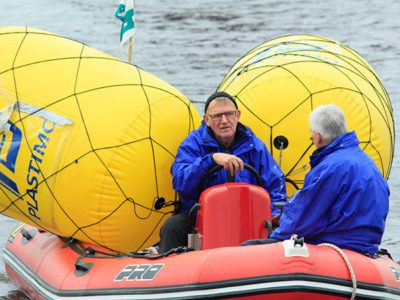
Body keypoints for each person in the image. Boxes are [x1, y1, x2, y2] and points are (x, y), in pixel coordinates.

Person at [242, 104, 390, 257]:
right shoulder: (369, 163)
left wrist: (275, 235)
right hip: (367, 247)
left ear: (318, 137)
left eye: (312, 134)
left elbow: (304, 217)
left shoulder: (329, 168)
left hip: (339, 246)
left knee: (248, 248)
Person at [158, 91, 286, 253]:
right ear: (207, 120)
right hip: (201, 217)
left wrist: (274, 214)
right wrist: (210, 160)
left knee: (282, 231)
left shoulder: (255, 146)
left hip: (247, 216)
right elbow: (180, 182)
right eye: (218, 116)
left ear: (238, 115)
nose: (224, 121)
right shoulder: (192, 144)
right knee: (172, 226)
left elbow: (276, 185)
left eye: (229, 114)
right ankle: (169, 273)